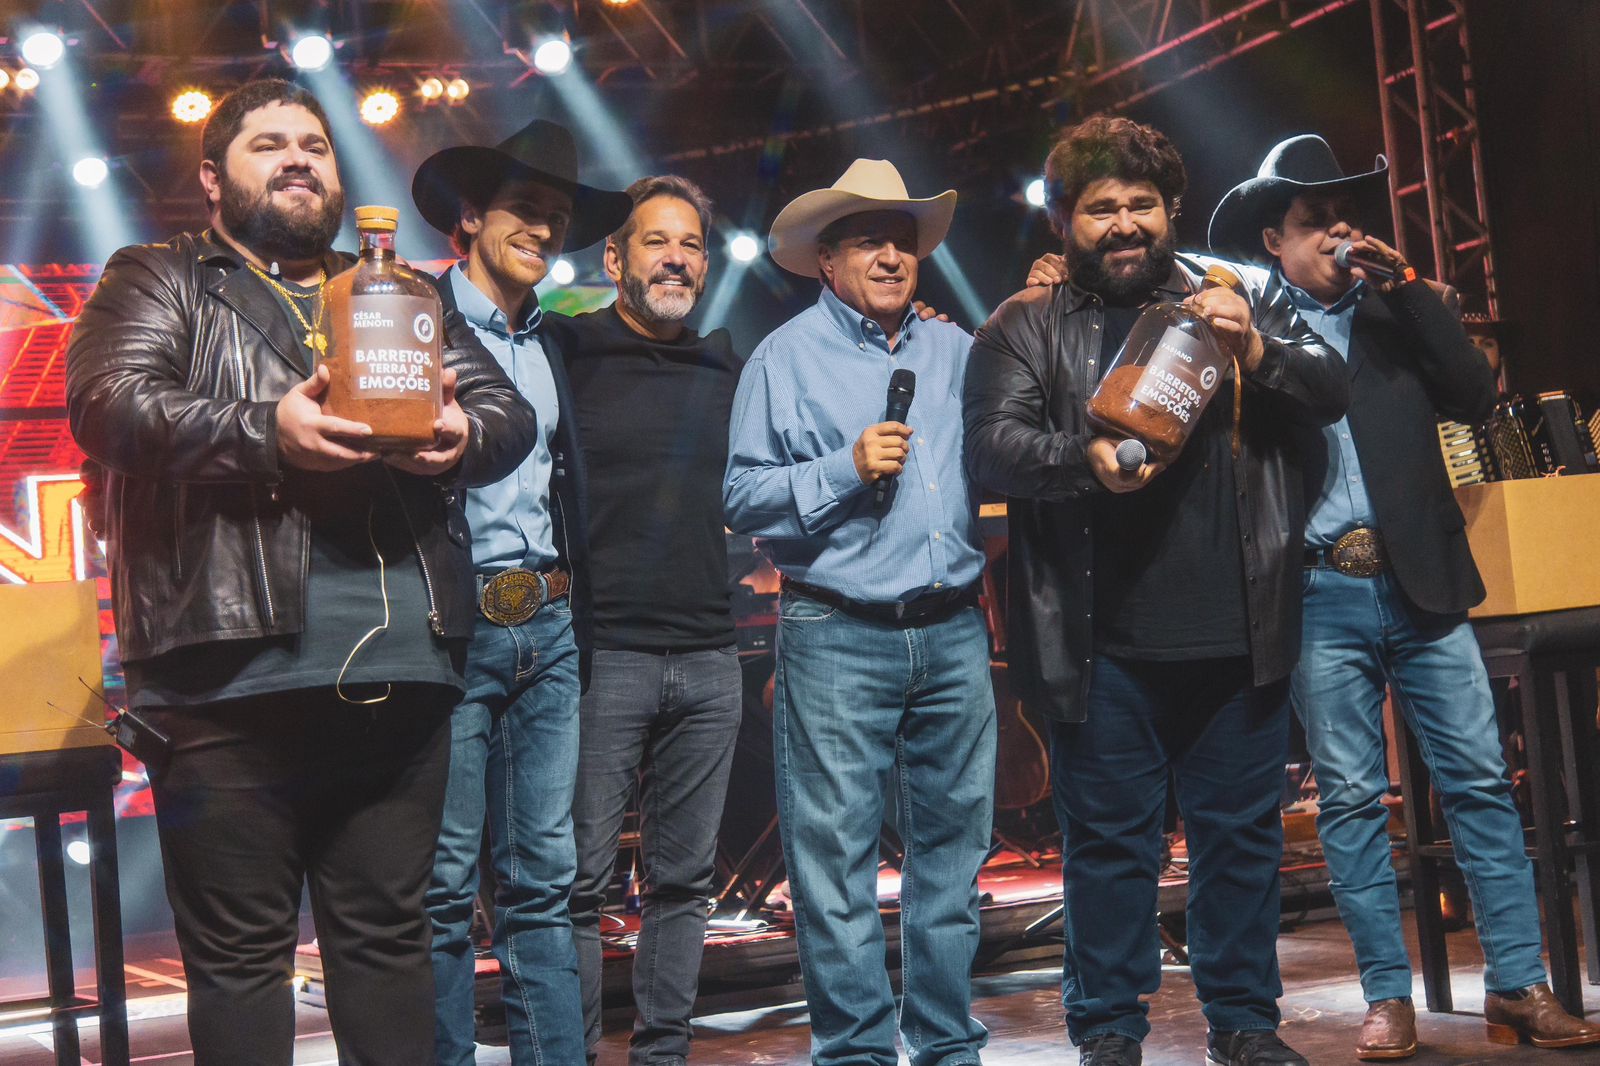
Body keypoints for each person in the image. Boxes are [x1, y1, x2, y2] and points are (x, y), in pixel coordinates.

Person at [65, 78, 535, 1066]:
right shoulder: (161, 276)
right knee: (240, 963)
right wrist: (266, 432)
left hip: (401, 680)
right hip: (224, 681)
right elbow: (112, 404)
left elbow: (504, 415)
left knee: (389, 947)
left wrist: (453, 434)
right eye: (268, 143)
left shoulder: (400, 291)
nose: (297, 158)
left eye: (315, 144)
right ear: (210, 178)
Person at [1208, 133, 1600, 1059]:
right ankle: (1387, 997)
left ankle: (1517, 983)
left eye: (1348, 216)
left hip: (1419, 584)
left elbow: (1472, 395)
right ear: (1275, 240)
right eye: (1316, 222)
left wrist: (1414, 292)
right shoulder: (1250, 335)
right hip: (1319, 591)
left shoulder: (1402, 311)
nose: (1340, 233)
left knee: (1476, 784)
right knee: (1349, 798)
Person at [966, 116, 1347, 1066]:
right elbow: (988, 447)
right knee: (1109, 853)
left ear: (1171, 210)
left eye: (1142, 204)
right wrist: (1079, 457)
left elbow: (1330, 389)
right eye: (1102, 208)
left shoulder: (1241, 296)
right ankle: (1107, 1030)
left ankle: (1245, 1023)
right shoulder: (1022, 325)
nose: (1125, 223)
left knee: (1240, 847)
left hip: (1239, 630)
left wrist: (1255, 348)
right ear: (1063, 220)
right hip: (1100, 645)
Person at [725, 159, 996, 1066]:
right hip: (835, 630)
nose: (891, 254)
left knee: (953, 861)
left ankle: (948, 1044)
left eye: (903, 240)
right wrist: (843, 468)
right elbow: (739, 493)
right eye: (869, 240)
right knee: (835, 871)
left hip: (955, 629)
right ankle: (856, 1055)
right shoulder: (782, 358)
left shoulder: (955, 352)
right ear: (827, 261)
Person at [410, 119, 632, 1065]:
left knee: (546, 881)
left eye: (555, 218)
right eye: (524, 211)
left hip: (547, 623)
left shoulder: (558, 343)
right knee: (445, 884)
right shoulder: (412, 320)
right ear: (471, 217)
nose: (543, 229)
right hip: (451, 631)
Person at [552, 175, 745, 1066]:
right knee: (578, 883)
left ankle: (662, 1052)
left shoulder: (727, 363)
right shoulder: (570, 351)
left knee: (685, 883)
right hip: (602, 654)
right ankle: (576, 1049)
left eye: (692, 244)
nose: (677, 258)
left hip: (711, 654)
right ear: (615, 259)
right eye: (657, 242)